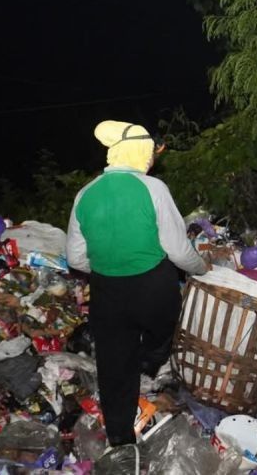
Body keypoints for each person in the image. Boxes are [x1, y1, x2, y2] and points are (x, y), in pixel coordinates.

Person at [66, 120, 209, 448]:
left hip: (107, 292)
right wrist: (200, 267)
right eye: (149, 152)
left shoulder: (85, 193)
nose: (152, 159)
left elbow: (75, 258)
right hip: (153, 288)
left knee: (114, 365)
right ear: (139, 152)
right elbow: (177, 249)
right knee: (166, 330)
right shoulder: (153, 188)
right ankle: (150, 360)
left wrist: (107, 267)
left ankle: (120, 439)